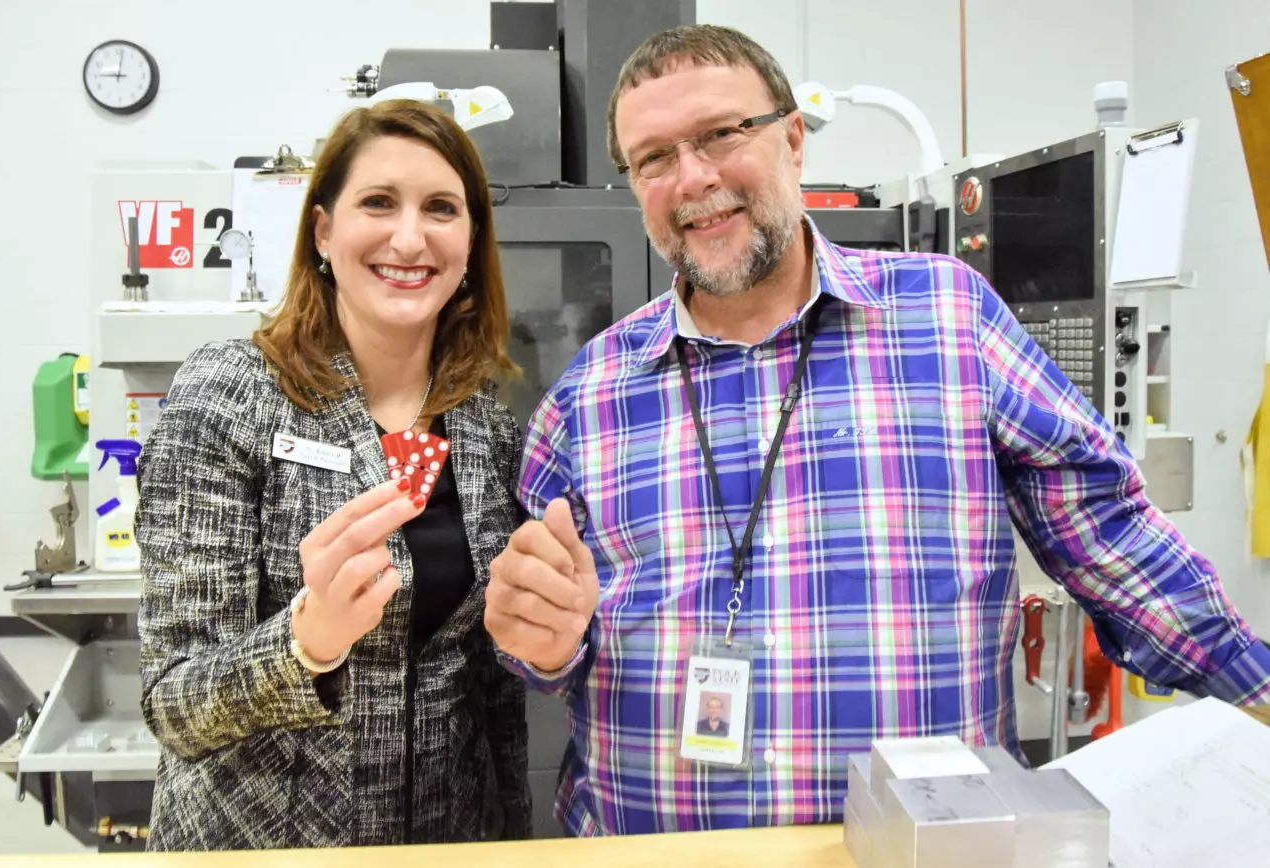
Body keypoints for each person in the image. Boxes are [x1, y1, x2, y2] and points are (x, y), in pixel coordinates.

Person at [484, 24, 1270, 836]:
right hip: (659, 850)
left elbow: (1111, 539)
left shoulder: (949, 317)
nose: (693, 178)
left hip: (925, 846)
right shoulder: (589, 394)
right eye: (654, 158)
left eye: (721, 134)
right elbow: (540, 641)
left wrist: (1255, 688)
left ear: (794, 140)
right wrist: (541, 641)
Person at [137, 99, 530, 849]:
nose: (409, 238)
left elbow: (493, 697)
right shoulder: (230, 396)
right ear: (323, 231)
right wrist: (307, 641)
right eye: (378, 202)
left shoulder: (486, 428)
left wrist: (513, 839)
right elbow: (172, 703)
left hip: (448, 842)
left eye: (441, 208)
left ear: (471, 241)